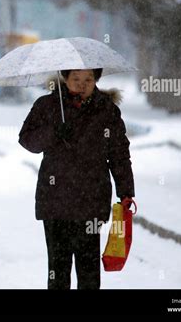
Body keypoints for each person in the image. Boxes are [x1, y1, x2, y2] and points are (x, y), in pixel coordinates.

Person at [19, 69, 135, 289]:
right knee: (57, 271)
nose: (82, 85)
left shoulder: (107, 110)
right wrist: (53, 132)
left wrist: (126, 191)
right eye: (76, 79)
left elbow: (119, 153)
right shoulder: (47, 105)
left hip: (91, 202)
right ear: (65, 79)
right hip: (55, 203)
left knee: (89, 270)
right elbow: (27, 139)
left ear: (96, 80)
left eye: (88, 80)